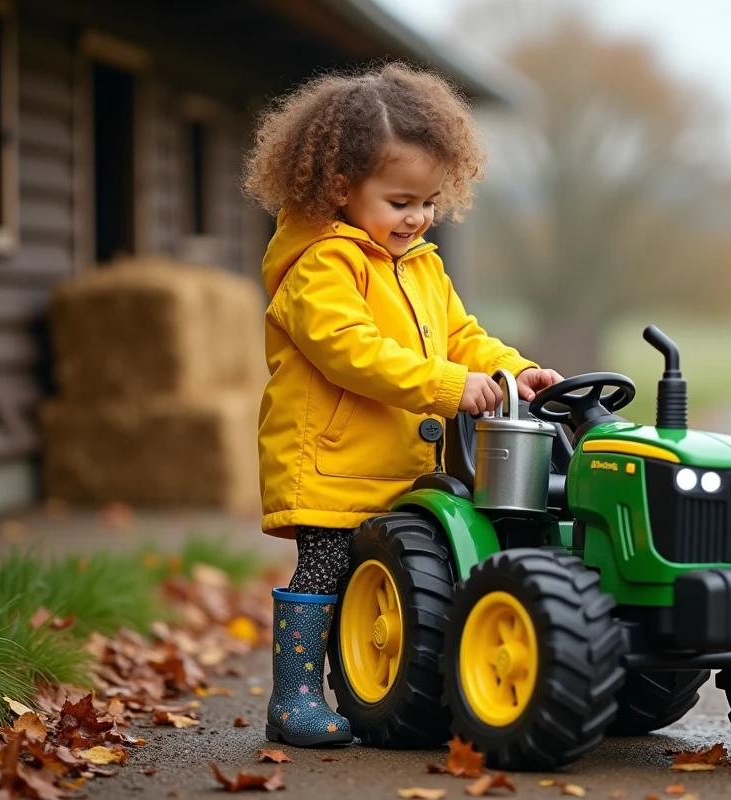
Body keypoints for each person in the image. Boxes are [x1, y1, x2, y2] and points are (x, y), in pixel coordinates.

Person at [242, 64, 562, 747]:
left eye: (428, 201)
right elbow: (351, 351)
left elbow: (461, 336)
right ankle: (295, 695)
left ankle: (417, 685)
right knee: (327, 568)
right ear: (339, 188)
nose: (417, 217)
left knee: (422, 578)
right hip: (335, 465)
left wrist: (516, 369)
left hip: (408, 469)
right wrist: (448, 387)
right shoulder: (319, 268)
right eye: (399, 201)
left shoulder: (420, 264)